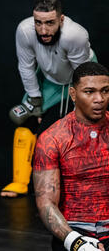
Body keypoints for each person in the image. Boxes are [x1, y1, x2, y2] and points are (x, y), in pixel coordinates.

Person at [1, 0, 96, 197]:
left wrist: (80, 104)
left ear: (61, 20)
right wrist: (35, 102)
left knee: (72, 129)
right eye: (39, 22)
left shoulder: (75, 35)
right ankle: (19, 182)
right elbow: (26, 67)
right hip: (48, 78)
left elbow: (82, 75)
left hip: (77, 80)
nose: (43, 30)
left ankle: (77, 186)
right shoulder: (25, 31)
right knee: (25, 120)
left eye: (50, 23)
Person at [33, 61, 109, 251]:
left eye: (105, 90)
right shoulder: (52, 138)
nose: (99, 98)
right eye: (89, 92)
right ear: (73, 94)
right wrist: (75, 242)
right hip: (73, 230)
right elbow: (46, 202)